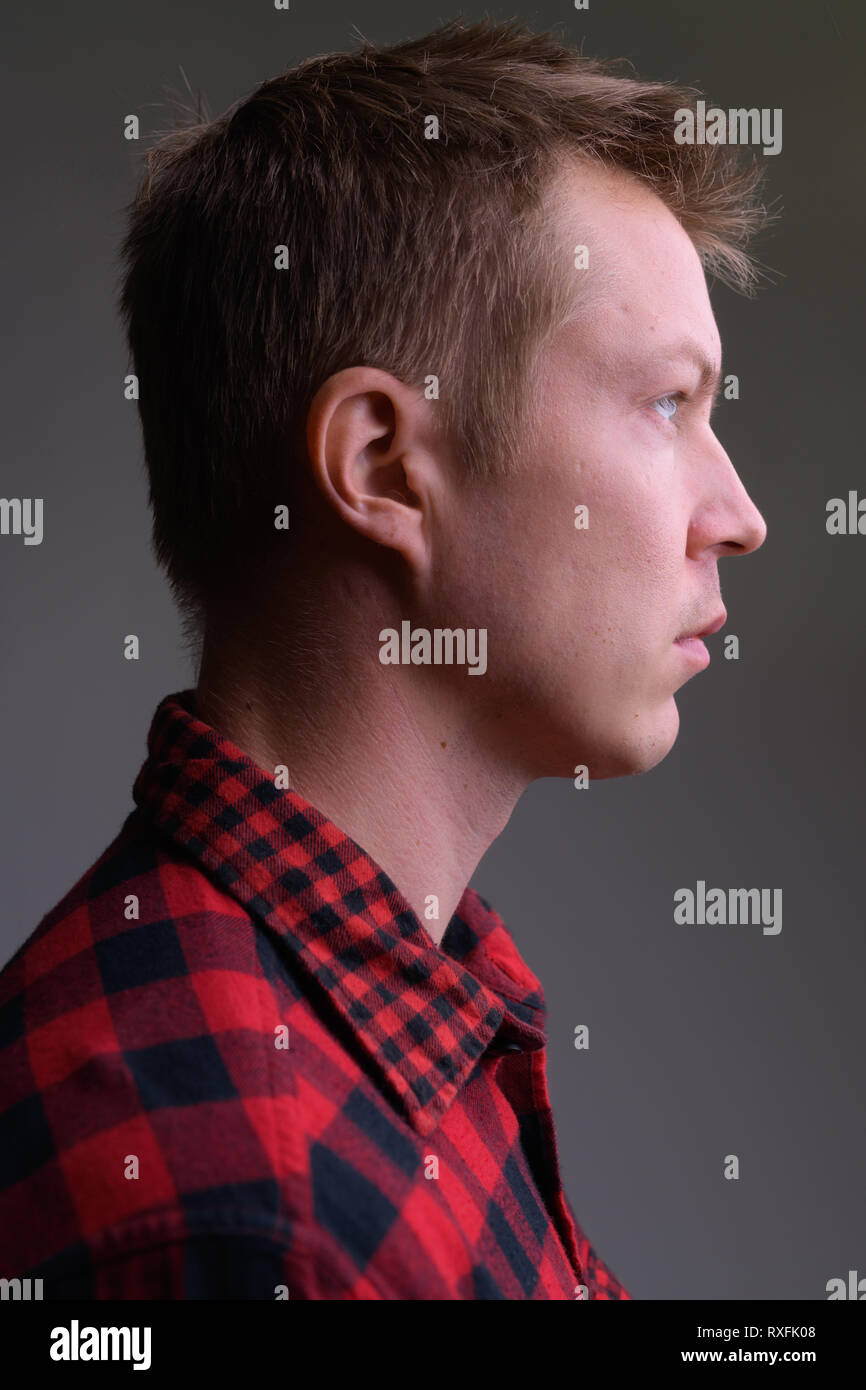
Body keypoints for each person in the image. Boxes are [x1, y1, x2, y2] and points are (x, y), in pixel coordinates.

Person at [0, 16, 767, 1299]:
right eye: (661, 404)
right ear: (381, 469)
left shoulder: (423, 1005)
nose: (737, 515)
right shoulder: (237, 1221)